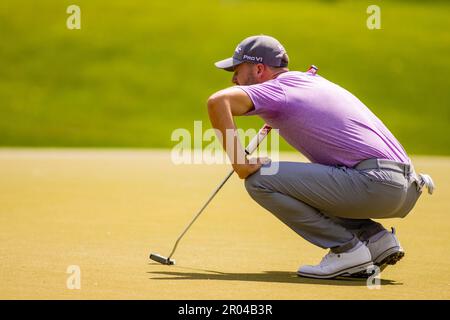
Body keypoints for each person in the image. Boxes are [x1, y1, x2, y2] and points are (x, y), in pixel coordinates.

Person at [207, 35, 434, 279]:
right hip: (405, 187)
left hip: (376, 183)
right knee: (309, 181)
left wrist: (240, 162)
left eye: (237, 70)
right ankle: (375, 238)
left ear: (259, 69)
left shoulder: (279, 89)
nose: (233, 79)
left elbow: (217, 102)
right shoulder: (310, 83)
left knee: (259, 179)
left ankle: (347, 250)